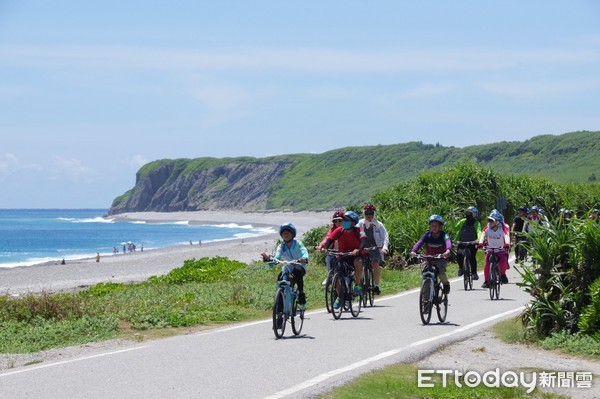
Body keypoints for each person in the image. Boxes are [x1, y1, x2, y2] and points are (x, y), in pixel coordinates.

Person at [320, 210, 366, 308]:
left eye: (346, 220)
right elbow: (330, 239)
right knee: (334, 274)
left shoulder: (360, 230)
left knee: (359, 262)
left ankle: (357, 284)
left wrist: (358, 249)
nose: (344, 222)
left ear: (353, 223)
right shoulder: (339, 230)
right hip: (343, 256)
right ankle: (340, 296)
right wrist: (325, 248)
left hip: (355, 255)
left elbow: (363, 241)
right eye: (343, 220)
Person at [261, 223, 309, 305]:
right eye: (284, 233)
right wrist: (269, 259)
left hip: (300, 266)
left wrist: (304, 259)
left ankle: (301, 293)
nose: (286, 234)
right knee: (280, 279)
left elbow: (304, 252)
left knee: (297, 270)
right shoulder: (281, 247)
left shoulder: (298, 243)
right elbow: (277, 257)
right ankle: (279, 310)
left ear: (293, 234)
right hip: (287, 267)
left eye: (288, 232)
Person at [410, 215, 452, 294]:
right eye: (432, 226)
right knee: (425, 272)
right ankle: (426, 292)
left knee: (440, 272)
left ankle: (446, 284)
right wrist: (414, 251)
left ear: (440, 227)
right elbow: (419, 243)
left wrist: (447, 251)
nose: (434, 227)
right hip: (429, 258)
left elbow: (448, 242)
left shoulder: (444, 235)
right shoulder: (427, 235)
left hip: (441, 258)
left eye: (436, 226)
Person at [356, 203, 389, 295]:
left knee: (375, 264)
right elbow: (355, 235)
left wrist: (384, 247)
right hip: (362, 247)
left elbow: (385, 236)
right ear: (364, 214)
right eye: (367, 213)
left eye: (371, 213)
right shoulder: (360, 223)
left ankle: (376, 286)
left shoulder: (379, 225)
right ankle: (358, 284)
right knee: (360, 265)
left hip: (375, 247)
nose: (369, 216)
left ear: (374, 214)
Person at [479, 210, 511, 288]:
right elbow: (483, 235)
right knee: (486, 264)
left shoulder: (503, 229)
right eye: (489, 220)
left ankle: (503, 275)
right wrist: (480, 243)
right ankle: (486, 281)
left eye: (492, 221)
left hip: (500, 250)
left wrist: (507, 244)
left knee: (503, 262)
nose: (490, 222)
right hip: (490, 250)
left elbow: (507, 236)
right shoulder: (487, 228)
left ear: (497, 222)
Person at [316, 210, 345, 285]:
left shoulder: (348, 229)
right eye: (335, 221)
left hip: (345, 252)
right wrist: (321, 246)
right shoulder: (333, 229)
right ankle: (330, 275)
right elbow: (327, 238)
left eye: (340, 220)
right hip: (334, 251)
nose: (337, 223)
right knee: (328, 258)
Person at [454, 206, 482, 280]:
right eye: (467, 213)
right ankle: (461, 268)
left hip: (472, 243)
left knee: (472, 257)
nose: (468, 215)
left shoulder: (477, 223)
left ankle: (474, 273)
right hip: (462, 242)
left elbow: (479, 231)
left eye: (470, 213)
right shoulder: (462, 221)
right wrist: (451, 221)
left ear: (474, 214)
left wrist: (478, 240)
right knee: (459, 254)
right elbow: (455, 228)